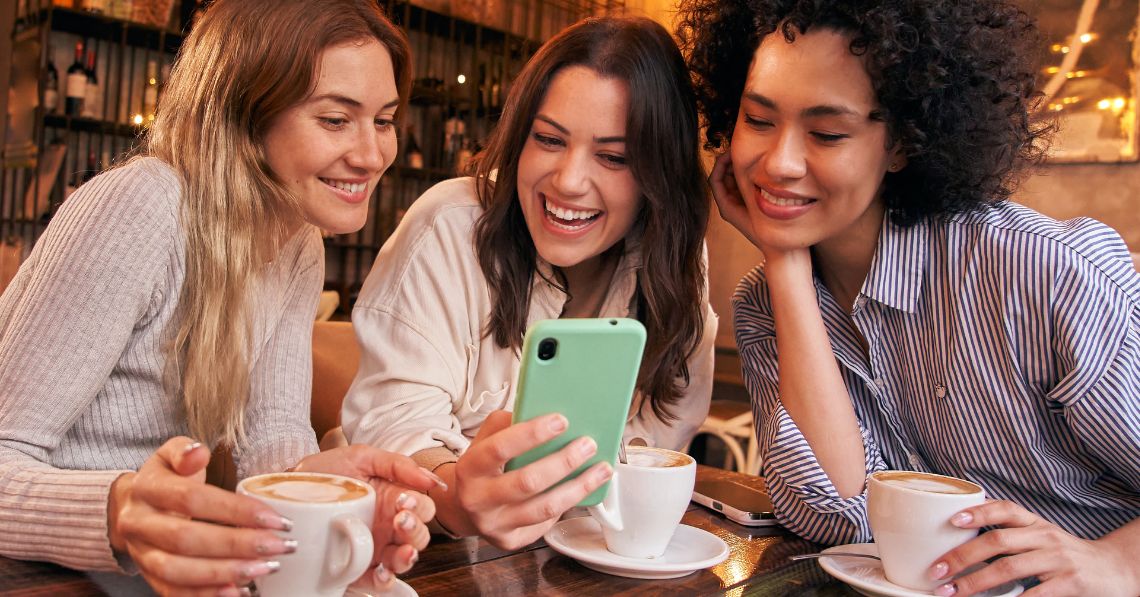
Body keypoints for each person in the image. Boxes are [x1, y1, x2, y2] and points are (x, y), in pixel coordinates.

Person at [676, 0, 1139, 595]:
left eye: (826, 133)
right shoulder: (767, 303)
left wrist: (1117, 564)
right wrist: (786, 263)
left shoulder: (1038, 273)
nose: (779, 162)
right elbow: (835, 512)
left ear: (902, 143)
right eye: (758, 120)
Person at [0, 0, 440, 594]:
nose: (371, 154)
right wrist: (122, 511)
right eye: (336, 120)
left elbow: (272, 435)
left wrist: (331, 495)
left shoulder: (298, 241)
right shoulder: (141, 207)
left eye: (383, 120)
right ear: (242, 116)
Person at [341, 16, 717, 550]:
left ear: (659, 175)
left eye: (612, 157)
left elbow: (661, 434)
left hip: (584, 558)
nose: (567, 181)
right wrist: (457, 496)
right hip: (425, 554)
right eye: (548, 139)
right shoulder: (450, 225)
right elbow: (396, 421)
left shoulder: (675, 260)